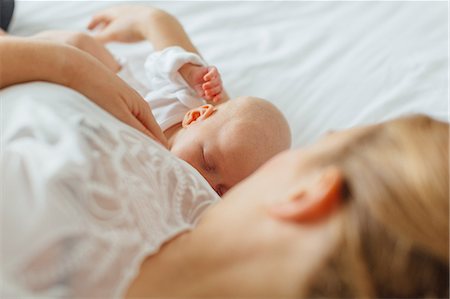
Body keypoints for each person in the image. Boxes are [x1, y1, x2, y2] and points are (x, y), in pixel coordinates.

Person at [1, 6, 448, 299]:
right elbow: (216, 102)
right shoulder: (196, 207)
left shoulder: (52, 196)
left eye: (325, 143)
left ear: (309, 194)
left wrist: (66, 64)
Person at [26, 5, 291, 196]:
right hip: (115, 80)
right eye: (206, 162)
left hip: (79, 111)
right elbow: (166, 64)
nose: (205, 182)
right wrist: (191, 73)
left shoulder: (197, 192)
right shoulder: (189, 101)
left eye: (223, 190)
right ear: (196, 117)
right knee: (79, 42)